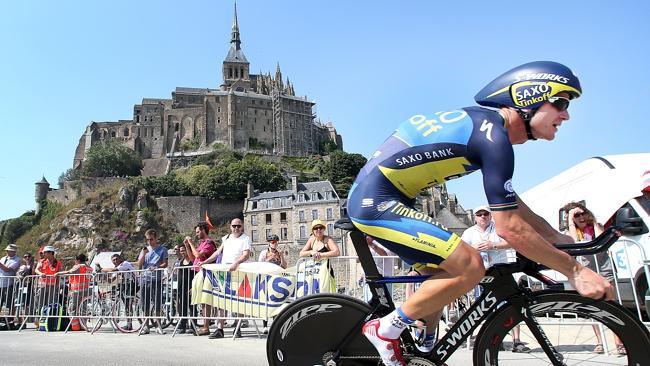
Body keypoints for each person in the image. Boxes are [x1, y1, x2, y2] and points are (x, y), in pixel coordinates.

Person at [347, 61, 612, 365]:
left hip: (387, 199)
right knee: (471, 265)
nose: (566, 114)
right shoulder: (493, 136)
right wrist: (575, 271)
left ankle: (422, 347)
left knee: (442, 276)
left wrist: (553, 235)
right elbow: (509, 227)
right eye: (561, 103)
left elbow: (511, 204)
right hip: (377, 202)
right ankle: (384, 330)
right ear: (529, 97)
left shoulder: (485, 127)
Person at [460, 206, 529, 353]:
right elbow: (462, 250)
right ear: (475, 217)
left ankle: (516, 341)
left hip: (501, 271)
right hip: (481, 274)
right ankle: (496, 340)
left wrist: (493, 245)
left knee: (511, 306)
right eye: (479, 214)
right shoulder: (469, 232)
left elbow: (513, 242)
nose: (483, 216)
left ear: (490, 216)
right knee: (486, 309)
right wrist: (474, 248)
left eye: (485, 214)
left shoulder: (499, 229)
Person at [563, 202, 625, 355]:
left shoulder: (596, 226)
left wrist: (593, 221)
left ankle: (619, 342)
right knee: (593, 307)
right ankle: (599, 341)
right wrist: (571, 219)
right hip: (586, 270)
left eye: (583, 213)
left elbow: (601, 239)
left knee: (612, 305)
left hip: (604, 267)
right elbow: (573, 241)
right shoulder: (570, 231)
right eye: (577, 215)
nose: (581, 217)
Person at [202, 217, 252, 339]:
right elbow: (217, 253)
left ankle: (238, 326)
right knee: (221, 301)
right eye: (234, 226)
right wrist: (206, 261)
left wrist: (236, 263)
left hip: (238, 271)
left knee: (240, 301)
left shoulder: (245, 239)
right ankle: (220, 329)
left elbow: (246, 255)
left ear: (242, 227)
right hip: (224, 271)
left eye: (238, 226)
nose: (236, 228)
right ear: (230, 227)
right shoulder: (226, 238)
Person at [184, 222, 217, 336]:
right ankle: (205, 326)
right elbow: (193, 259)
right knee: (203, 301)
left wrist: (191, 243)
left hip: (206, 274)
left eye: (198, 231)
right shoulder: (202, 243)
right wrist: (188, 246)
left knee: (206, 301)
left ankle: (206, 327)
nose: (197, 234)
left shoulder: (209, 243)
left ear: (203, 230)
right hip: (200, 274)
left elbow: (198, 255)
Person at [137, 229, 168, 335]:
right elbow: (139, 264)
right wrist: (144, 254)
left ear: (156, 238)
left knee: (157, 302)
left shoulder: (162, 249)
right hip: (145, 279)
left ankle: (158, 325)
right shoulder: (145, 250)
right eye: (147, 240)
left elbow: (165, 263)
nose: (149, 241)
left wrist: (157, 267)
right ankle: (145, 326)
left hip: (157, 279)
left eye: (151, 239)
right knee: (144, 303)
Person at [98, 253, 137, 330]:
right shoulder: (119, 267)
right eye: (113, 260)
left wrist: (101, 269)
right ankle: (129, 324)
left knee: (128, 304)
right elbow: (111, 280)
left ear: (120, 258)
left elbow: (113, 270)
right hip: (125, 284)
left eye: (116, 259)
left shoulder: (125, 264)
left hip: (131, 283)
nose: (115, 261)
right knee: (126, 305)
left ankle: (129, 324)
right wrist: (104, 276)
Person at [57, 254, 92, 329]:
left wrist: (58, 273)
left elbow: (69, 272)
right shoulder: (89, 268)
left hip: (77, 291)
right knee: (83, 308)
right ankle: (83, 325)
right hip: (86, 290)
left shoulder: (79, 266)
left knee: (72, 308)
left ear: (78, 260)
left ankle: (75, 326)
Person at [34, 246, 62, 323]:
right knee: (40, 303)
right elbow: (36, 269)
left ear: (50, 253)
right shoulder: (42, 261)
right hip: (42, 285)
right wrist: (41, 273)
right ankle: (38, 322)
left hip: (52, 286)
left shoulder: (58, 262)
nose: (44, 254)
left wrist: (57, 285)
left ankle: (49, 321)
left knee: (51, 304)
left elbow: (58, 275)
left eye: (45, 252)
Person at [174, 244, 197, 334]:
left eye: (184, 250)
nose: (183, 252)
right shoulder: (180, 261)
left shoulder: (192, 261)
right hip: (181, 287)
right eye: (181, 251)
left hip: (190, 286)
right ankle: (183, 326)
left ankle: (193, 326)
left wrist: (193, 287)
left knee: (192, 307)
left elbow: (195, 274)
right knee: (182, 307)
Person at [0, 244, 21, 329]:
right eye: (7, 250)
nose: (8, 252)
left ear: (14, 251)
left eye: (10, 251)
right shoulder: (3, 258)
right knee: (1, 303)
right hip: (0, 283)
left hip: (9, 284)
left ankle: (5, 320)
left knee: (7, 303)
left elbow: (7, 269)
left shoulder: (17, 260)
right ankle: (1, 318)